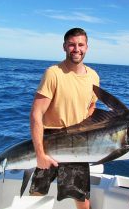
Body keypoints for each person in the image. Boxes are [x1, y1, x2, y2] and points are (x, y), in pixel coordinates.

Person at [29, 27, 100, 209]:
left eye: (80, 45)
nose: (76, 49)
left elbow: (92, 106)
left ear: (87, 47)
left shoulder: (94, 77)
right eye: (71, 45)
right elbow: (37, 113)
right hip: (51, 140)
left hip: (78, 142)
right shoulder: (53, 73)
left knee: (81, 200)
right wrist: (40, 154)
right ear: (64, 47)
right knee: (35, 195)